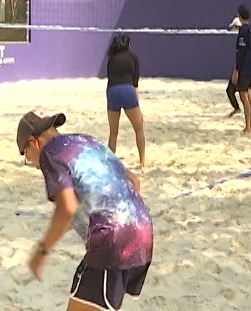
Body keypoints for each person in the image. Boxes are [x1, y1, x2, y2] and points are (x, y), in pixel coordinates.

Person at [16, 110, 153, 311]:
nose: (33, 163)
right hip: (143, 233)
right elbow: (134, 181)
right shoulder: (85, 141)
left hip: (112, 242)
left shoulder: (50, 154)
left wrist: (42, 251)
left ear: (33, 142)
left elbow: (67, 207)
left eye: (26, 155)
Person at [106, 34, 146, 168]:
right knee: (139, 128)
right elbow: (135, 83)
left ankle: (111, 163)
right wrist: (136, 103)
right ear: (127, 45)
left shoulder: (111, 60)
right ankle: (142, 162)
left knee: (113, 133)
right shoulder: (133, 58)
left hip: (112, 91)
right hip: (127, 90)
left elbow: (110, 80)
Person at [231, 4, 251, 132]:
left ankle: (248, 127)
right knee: (249, 92)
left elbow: (241, 52)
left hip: (244, 67)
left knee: (243, 95)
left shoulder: (244, 31)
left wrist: (236, 70)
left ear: (239, 15)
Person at [226, 16, 242, 117]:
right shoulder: (246, 36)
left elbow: (240, 55)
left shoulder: (241, 39)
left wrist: (236, 70)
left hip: (240, 69)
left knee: (230, 90)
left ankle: (237, 109)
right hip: (244, 68)